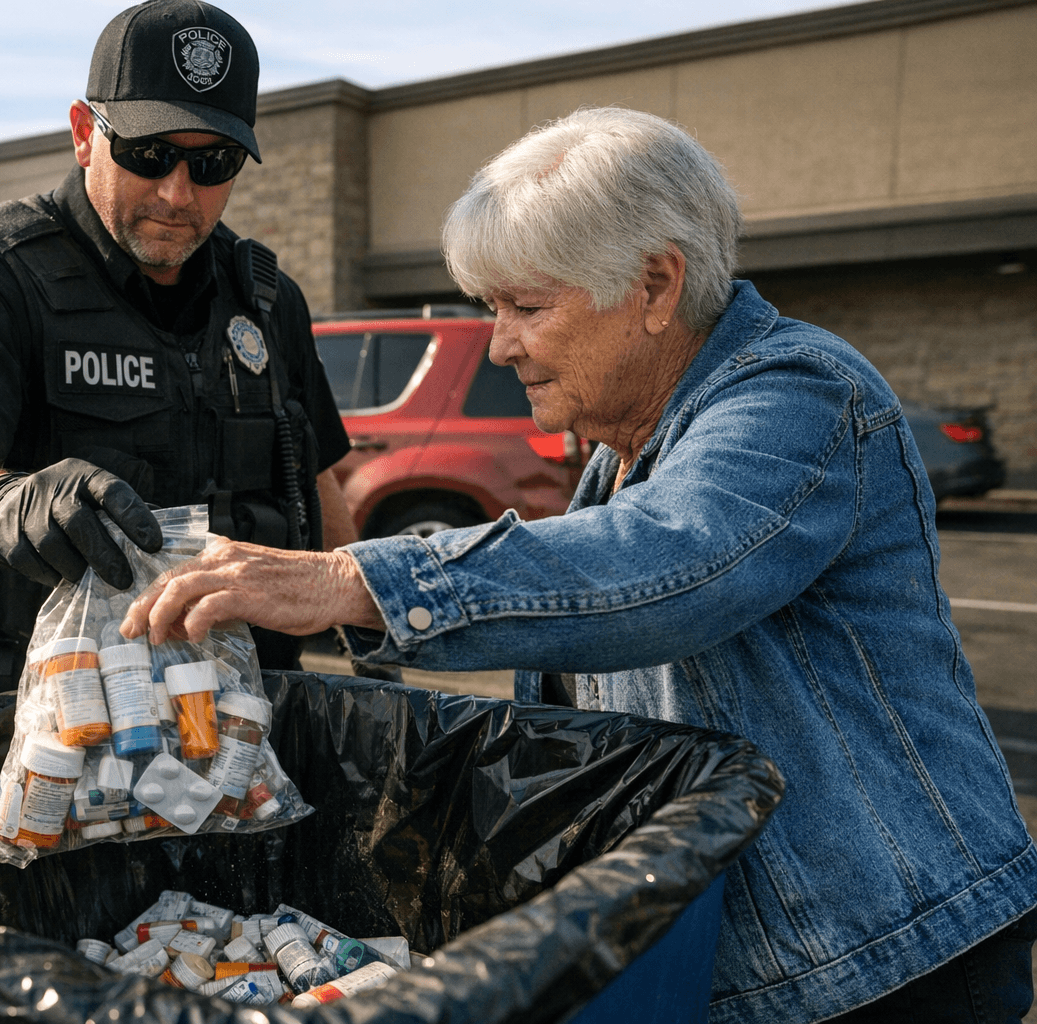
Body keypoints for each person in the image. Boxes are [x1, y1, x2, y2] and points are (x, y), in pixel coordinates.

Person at [123, 107, 1037, 1023]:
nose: (500, 344)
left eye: (526, 307)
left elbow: (667, 559)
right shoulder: (621, 453)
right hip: (761, 970)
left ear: (656, 285)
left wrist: (349, 581)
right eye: (493, 309)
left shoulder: (798, 393)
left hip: (890, 961)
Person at [0, 0, 354, 709]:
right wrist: (1, 503)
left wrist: (361, 631)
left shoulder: (266, 298)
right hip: (30, 714)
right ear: (86, 134)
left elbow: (318, 478)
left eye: (212, 163)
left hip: (234, 707)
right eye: (149, 154)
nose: (177, 192)